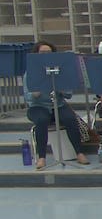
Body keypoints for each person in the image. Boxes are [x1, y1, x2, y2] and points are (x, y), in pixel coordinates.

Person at [24, 41, 90, 169]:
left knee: (70, 119)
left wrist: (59, 86)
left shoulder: (60, 71)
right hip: (38, 107)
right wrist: (38, 89)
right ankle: (42, 157)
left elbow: (68, 95)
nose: (45, 55)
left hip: (58, 105)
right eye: (42, 53)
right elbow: (28, 97)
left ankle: (79, 153)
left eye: (48, 53)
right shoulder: (30, 73)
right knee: (42, 120)